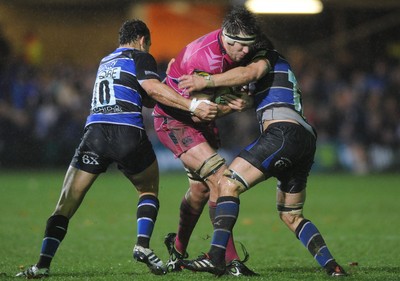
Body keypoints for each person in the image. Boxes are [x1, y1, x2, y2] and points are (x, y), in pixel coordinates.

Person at [16, 19, 218, 279]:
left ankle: (42, 265)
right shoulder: (141, 56)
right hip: (126, 132)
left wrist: (162, 81)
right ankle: (142, 245)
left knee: (64, 205)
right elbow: (152, 90)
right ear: (143, 40)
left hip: (95, 134)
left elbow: (143, 95)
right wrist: (191, 105)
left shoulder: (105, 61)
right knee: (148, 189)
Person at [179, 33, 348, 277]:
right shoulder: (277, 73)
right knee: (291, 215)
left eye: (244, 49)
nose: (240, 55)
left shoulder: (266, 57)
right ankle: (333, 267)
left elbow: (248, 74)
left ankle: (216, 258)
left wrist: (207, 82)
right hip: (305, 139)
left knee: (226, 183)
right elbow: (247, 99)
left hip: (282, 133)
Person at [152, 6, 259, 276]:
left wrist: (244, 100)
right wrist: (233, 106)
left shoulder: (235, 52)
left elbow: (230, 97)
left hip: (198, 121)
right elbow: (203, 112)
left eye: (250, 46)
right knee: (221, 178)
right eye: (242, 47)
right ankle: (227, 259)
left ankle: (176, 250)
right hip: (174, 120)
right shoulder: (205, 60)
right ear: (228, 40)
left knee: (200, 192)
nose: (246, 53)